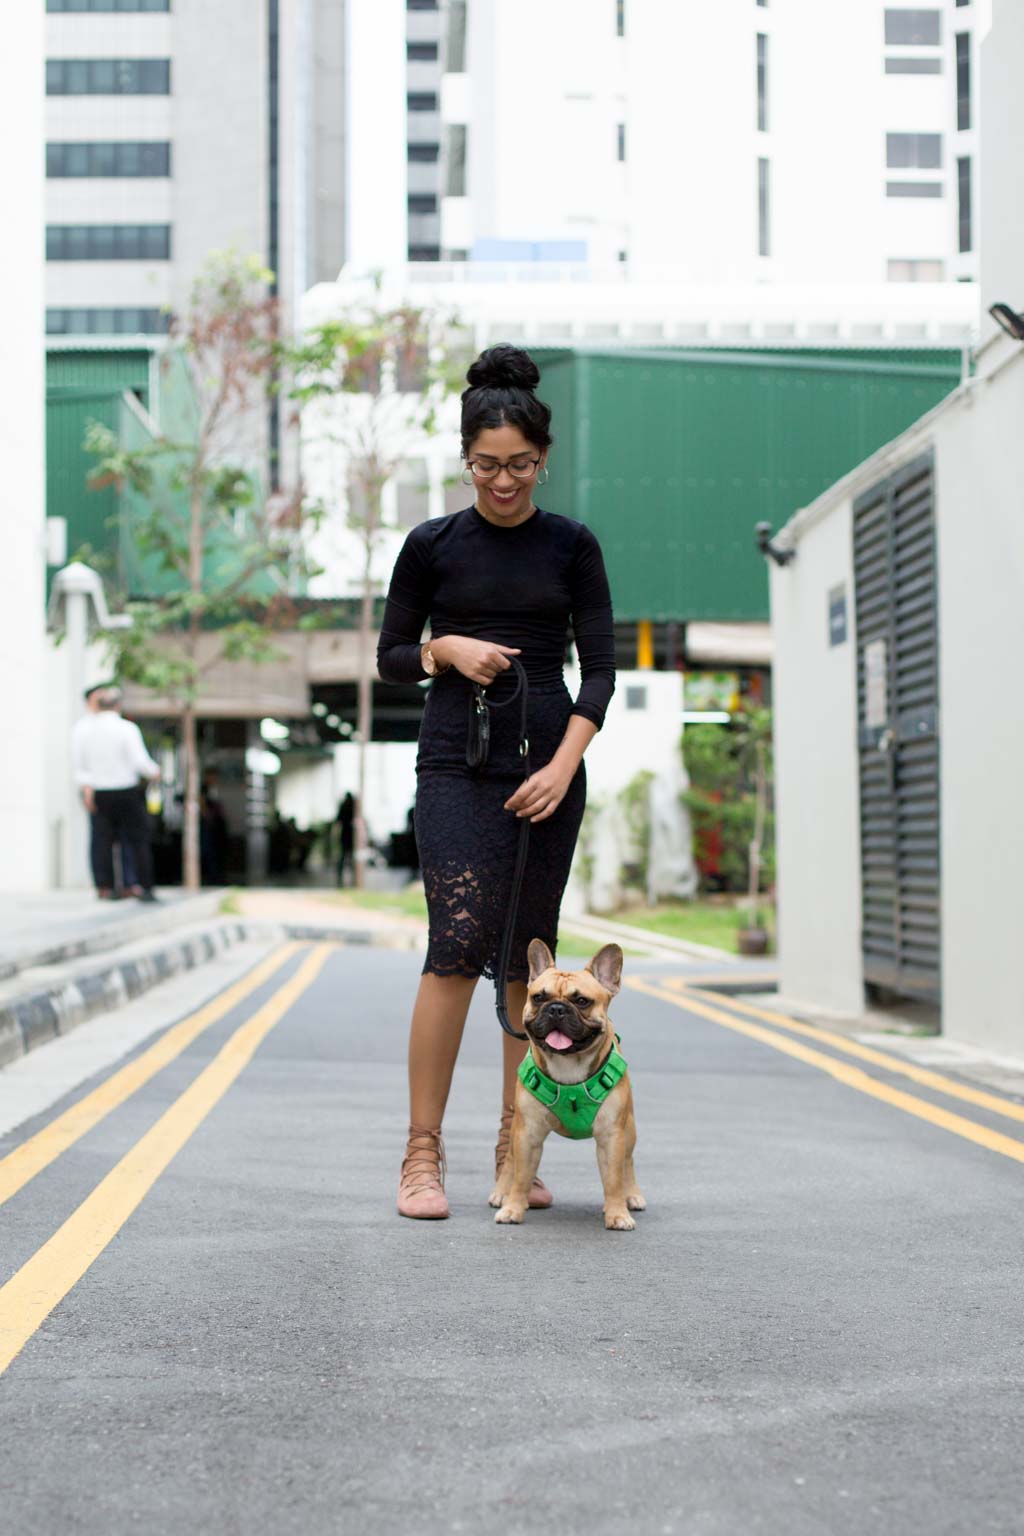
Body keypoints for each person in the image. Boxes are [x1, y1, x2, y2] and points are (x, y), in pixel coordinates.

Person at [376, 343, 616, 1219]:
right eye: (486, 464)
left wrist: (563, 765)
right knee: (454, 945)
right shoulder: (431, 545)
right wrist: (444, 647)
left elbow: (600, 673)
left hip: (549, 766)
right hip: (454, 761)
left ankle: (517, 1148)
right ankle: (421, 1154)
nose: (503, 481)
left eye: (519, 464)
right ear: (464, 458)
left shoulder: (572, 545)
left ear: (542, 459)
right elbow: (391, 657)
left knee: (526, 956)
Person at [71, 687, 162, 903]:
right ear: (118, 706)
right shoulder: (127, 728)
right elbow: (139, 761)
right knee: (136, 840)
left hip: (98, 792)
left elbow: (79, 764)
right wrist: (154, 772)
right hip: (126, 791)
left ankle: (105, 887)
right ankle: (143, 886)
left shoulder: (83, 729)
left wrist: (86, 788)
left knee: (101, 841)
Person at [336, 793, 356, 887]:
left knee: (345, 855)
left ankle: (346, 873)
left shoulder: (345, 808)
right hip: (349, 834)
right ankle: (350, 873)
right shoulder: (351, 808)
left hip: (347, 834)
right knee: (347, 855)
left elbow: (338, 821)